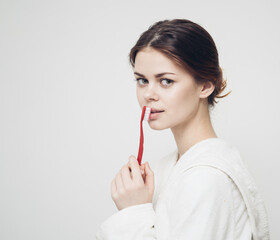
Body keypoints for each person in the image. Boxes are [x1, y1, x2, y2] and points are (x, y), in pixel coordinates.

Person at [96, 19, 270, 240]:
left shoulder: (205, 178)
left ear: (205, 85)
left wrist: (133, 212)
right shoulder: (170, 168)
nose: (148, 94)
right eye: (142, 80)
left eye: (166, 81)